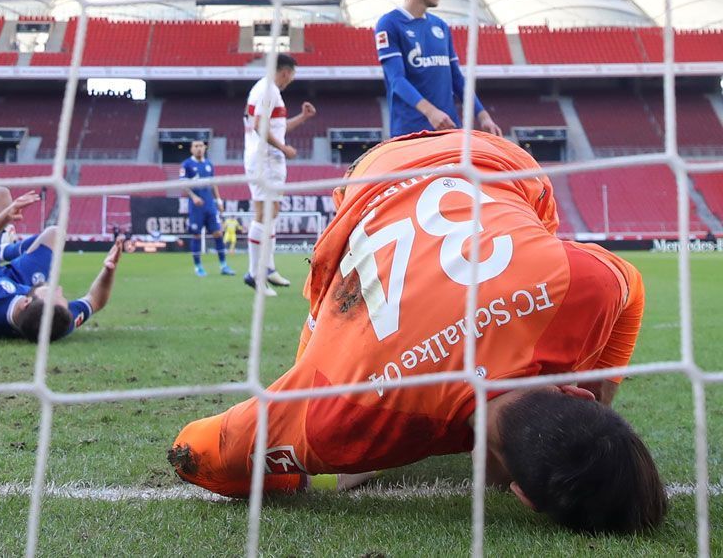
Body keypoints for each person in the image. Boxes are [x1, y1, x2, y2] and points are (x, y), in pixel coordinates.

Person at [168, 130, 667, 535]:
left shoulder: (588, 286)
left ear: (576, 393)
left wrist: (599, 394)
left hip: (482, 159)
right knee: (326, 410)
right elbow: (195, 451)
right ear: (523, 496)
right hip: (372, 192)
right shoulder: (345, 413)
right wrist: (303, 464)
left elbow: (631, 287)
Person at [0, 187, 122, 341]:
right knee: (54, 234)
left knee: (0, 195)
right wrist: (108, 269)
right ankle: (6, 250)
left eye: (53, 292)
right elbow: (95, 301)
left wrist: (5, 217)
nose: (58, 288)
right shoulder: (56, 322)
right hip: (13, 284)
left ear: (26, 302)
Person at [375, 0, 503, 138]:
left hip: (448, 127)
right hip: (411, 131)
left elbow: (457, 78)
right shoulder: (389, 24)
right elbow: (397, 80)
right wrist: (431, 112)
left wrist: (483, 116)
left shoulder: (440, 26)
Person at [242, 54, 314, 296]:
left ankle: (268, 268)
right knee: (264, 213)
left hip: (268, 158)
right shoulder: (267, 90)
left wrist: (303, 119)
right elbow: (259, 126)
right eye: (292, 75)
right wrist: (283, 148)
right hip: (265, 159)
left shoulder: (269, 90)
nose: (291, 80)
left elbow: (275, 128)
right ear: (285, 72)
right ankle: (254, 274)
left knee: (272, 213)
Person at [179, 139, 232, 277]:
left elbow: (213, 184)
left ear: (205, 148)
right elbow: (183, 184)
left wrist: (219, 200)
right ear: (191, 149)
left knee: (218, 233)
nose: (199, 148)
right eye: (196, 146)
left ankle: (224, 266)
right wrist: (193, 197)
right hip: (196, 207)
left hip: (210, 204)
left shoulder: (209, 164)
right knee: (196, 234)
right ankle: (198, 267)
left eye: (201, 146)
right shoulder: (186, 165)